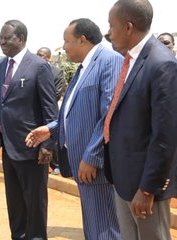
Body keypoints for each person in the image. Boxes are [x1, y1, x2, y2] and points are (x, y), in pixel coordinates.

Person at [26, 18, 122, 239]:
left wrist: (92, 157)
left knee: (105, 229)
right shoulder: (85, 67)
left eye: (66, 41)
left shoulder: (109, 62)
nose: (64, 46)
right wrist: (51, 129)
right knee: (94, 226)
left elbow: (109, 115)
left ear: (82, 40)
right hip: (83, 164)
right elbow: (76, 112)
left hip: (96, 166)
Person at [0, 19, 57, 239]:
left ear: (21, 39)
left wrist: (47, 145)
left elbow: (50, 110)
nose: (2, 42)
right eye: (0, 38)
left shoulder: (38, 66)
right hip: (7, 146)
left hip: (32, 148)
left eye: (7, 38)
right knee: (14, 203)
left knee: (34, 204)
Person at [104, 0, 177, 239]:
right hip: (126, 180)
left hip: (145, 187)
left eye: (111, 26)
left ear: (128, 27)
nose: (108, 33)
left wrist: (147, 189)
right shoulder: (133, 60)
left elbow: (165, 136)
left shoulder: (162, 64)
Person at [36, 47, 65, 175]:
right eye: (37, 54)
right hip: (35, 111)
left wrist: (43, 100)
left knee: (52, 137)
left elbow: (57, 92)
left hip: (50, 110)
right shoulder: (33, 69)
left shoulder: (57, 72)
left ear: (48, 57)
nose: (38, 57)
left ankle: (56, 165)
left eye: (41, 55)